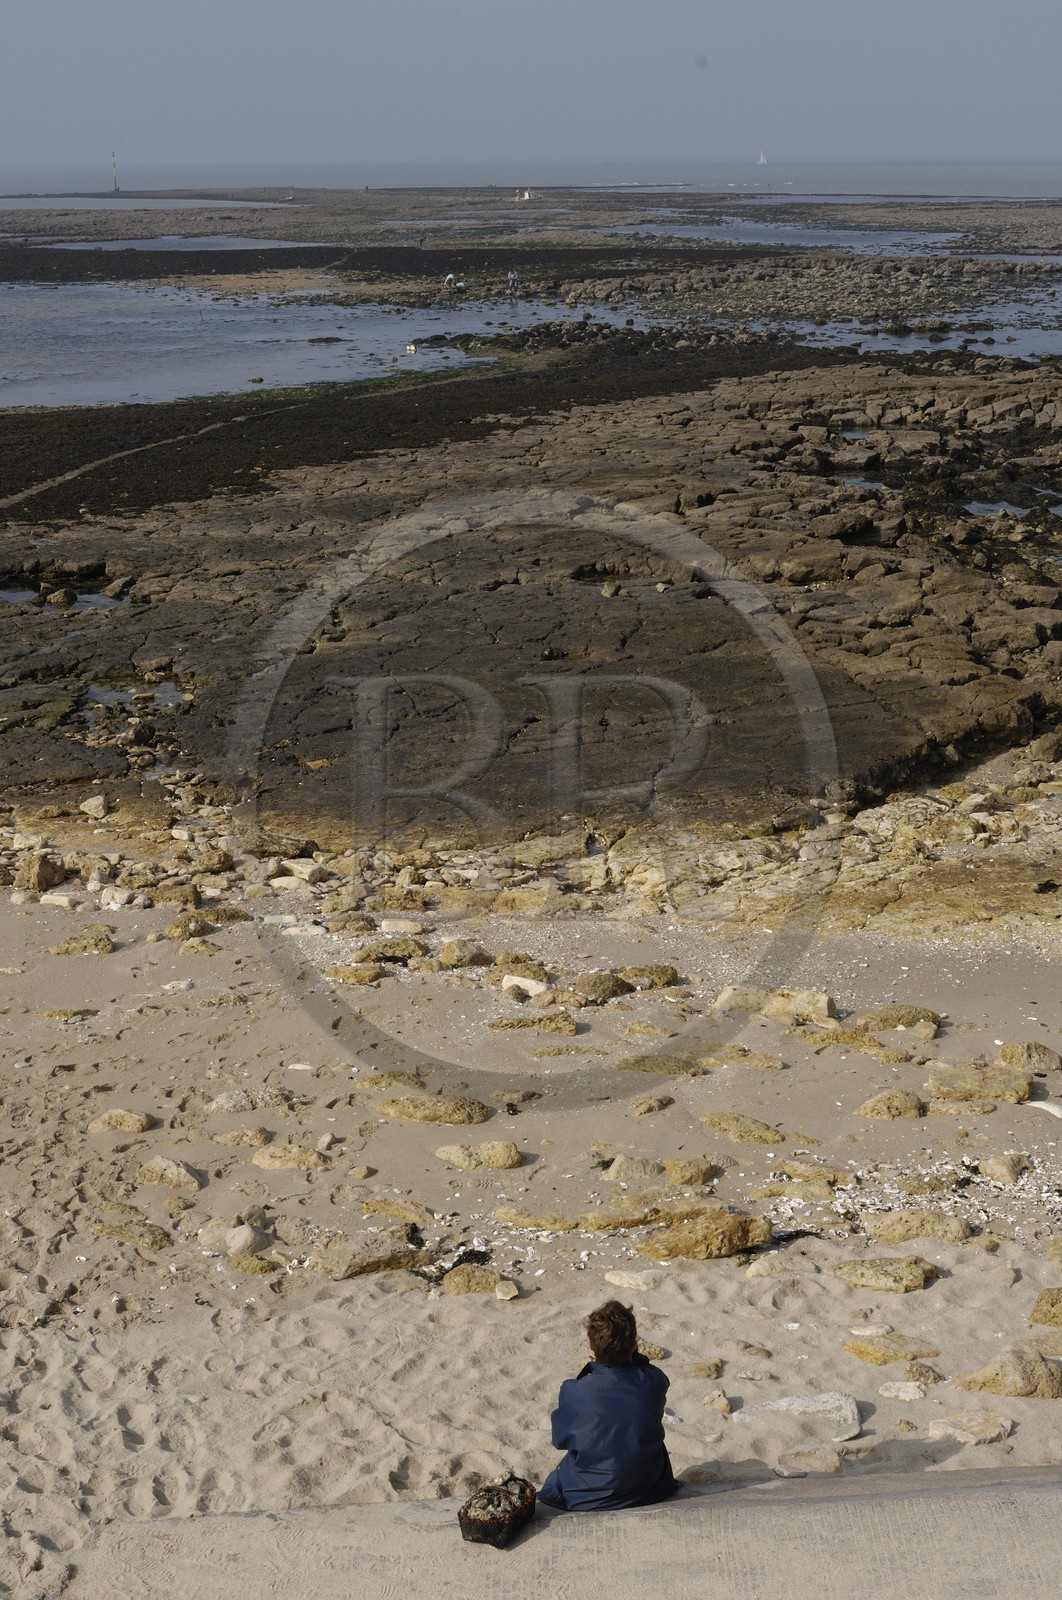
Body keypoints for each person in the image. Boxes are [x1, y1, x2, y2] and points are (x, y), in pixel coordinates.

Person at [538, 1301, 678, 1512]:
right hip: (650, 1487)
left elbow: (561, 1440)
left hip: (588, 1496)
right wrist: (633, 1356)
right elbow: (645, 1367)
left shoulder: (573, 1390)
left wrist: (591, 1369)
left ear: (591, 1346)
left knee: (557, 1480)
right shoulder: (654, 1380)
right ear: (633, 1345)